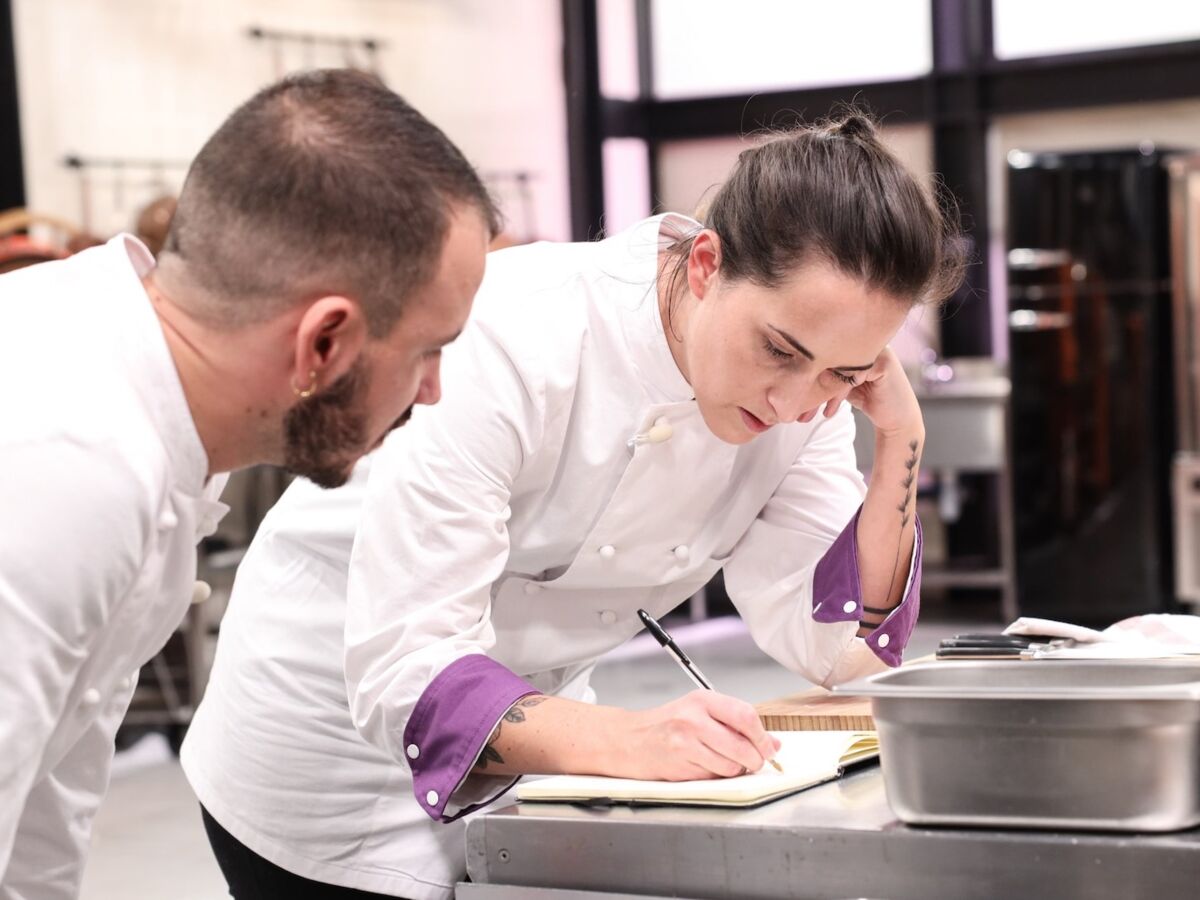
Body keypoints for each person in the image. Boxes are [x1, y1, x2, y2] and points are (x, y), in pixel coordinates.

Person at [182, 110, 967, 900]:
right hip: (323, 745)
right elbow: (403, 665)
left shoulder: (808, 404)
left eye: (844, 373)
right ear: (704, 263)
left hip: (536, 740)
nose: (795, 400)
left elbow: (839, 649)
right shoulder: (515, 334)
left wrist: (899, 438)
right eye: (780, 351)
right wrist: (629, 738)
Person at [0, 69, 499, 899]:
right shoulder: (68, 470)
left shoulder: (113, 371)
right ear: (324, 343)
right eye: (428, 350)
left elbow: (46, 800)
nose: (435, 389)